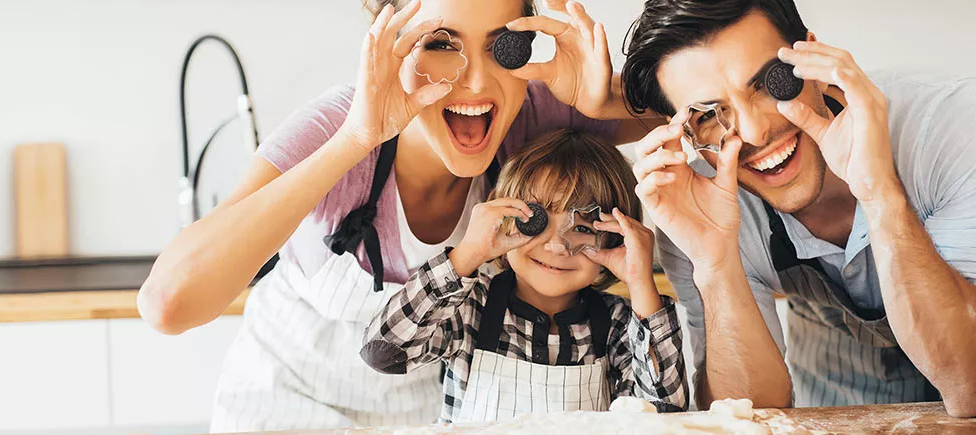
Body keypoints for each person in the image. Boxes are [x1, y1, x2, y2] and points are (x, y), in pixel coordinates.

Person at [137, 0, 651, 430]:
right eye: (441, 44)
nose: (476, 81)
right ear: (388, 46)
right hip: (285, 404)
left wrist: (603, 99)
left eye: (502, 48)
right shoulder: (335, 128)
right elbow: (168, 305)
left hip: (431, 415)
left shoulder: (530, 112)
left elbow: (702, 97)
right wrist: (355, 141)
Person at [619, 0, 976, 417]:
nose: (754, 131)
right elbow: (744, 413)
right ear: (683, 134)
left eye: (769, 82)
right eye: (709, 115)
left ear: (814, 56)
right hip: (832, 344)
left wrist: (880, 191)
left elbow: (973, 387)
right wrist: (715, 262)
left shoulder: (948, 120)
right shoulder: (692, 201)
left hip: (972, 316)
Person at [361, 129, 687, 423]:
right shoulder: (469, 307)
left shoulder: (619, 322)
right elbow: (384, 353)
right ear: (506, 218)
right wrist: (467, 254)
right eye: (538, 220)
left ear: (616, 238)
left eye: (584, 228)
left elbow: (663, 416)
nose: (557, 245)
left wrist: (641, 283)